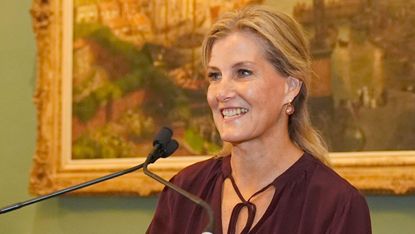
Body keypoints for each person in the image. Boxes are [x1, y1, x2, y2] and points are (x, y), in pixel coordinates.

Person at [147, 5, 371, 234]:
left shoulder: (336, 205)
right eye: (215, 76)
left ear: (290, 87)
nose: (221, 93)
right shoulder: (184, 191)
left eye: (243, 72)